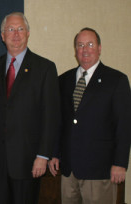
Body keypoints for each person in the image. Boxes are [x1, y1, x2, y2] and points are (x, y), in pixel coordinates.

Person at [0, 12, 61, 204]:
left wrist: (43, 155)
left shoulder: (45, 68)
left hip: (29, 161)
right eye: (10, 29)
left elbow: (51, 116)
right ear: (2, 35)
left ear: (28, 33)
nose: (16, 34)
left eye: (20, 29)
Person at [48, 27, 131, 204]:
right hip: (69, 170)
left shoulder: (116, 80)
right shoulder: (63, 80)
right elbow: (59, 121)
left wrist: (120, 163)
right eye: (80, 45)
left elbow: (124, 125)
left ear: (99, 48)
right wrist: (55, 153)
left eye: (90, 44)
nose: (85, 49)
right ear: (75, 50)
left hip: (99, 170)